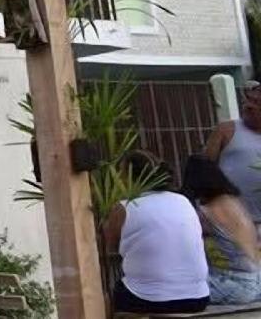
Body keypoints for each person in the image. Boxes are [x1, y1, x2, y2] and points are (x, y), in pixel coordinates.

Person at [104, 151, 209, 314]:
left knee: (106, 295)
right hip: (198, 297)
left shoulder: (124, 208)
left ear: (128, 177)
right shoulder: (183, 201)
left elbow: (111, 249)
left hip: (146, 298)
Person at [183, 154, 261, 305]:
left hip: (236, 285)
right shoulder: (234, 201)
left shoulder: (206, 210)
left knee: (170, 287)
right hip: (257, 280)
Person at [204, 81, 261, 225]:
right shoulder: (226, 130)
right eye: (247, 100)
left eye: (256, 102)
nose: (248, 105)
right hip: (231, 220)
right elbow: (203, 168)